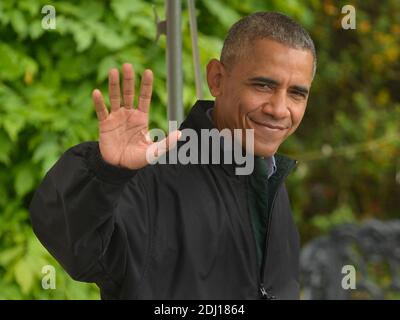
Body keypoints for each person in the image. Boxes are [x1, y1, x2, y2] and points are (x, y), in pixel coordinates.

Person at [29, 12, 316, 299]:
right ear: (216, 79)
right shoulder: (151, 177)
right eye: (263, 85)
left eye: (296, 93)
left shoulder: (270, 178)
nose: (279, 109)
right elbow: (79, 250)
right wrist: (105, 172)